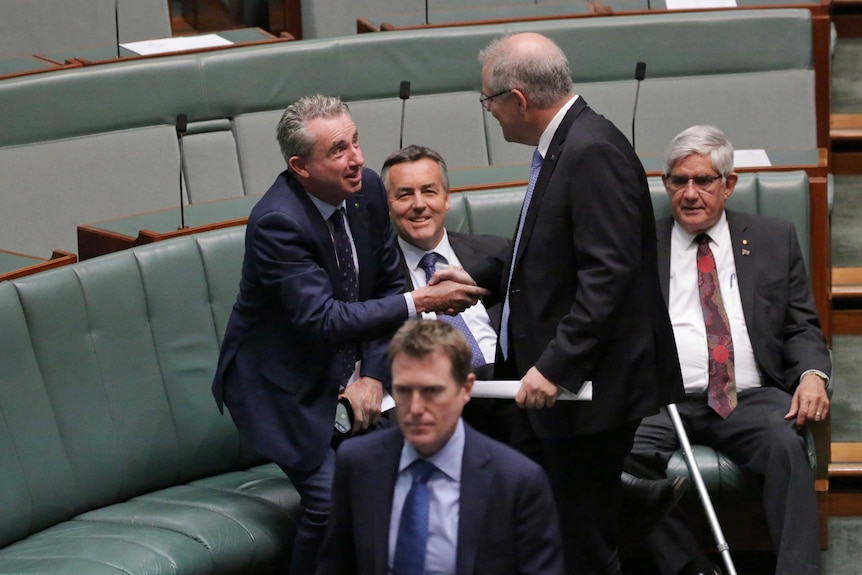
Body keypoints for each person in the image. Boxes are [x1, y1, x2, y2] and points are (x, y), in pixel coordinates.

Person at [211, 94, 487, 575]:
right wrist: (421, 303)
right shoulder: (278, 223)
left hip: (354, 381)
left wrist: (375, 376)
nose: (357, 158)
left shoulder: (368, 190)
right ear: (301, 165)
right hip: (287, 393)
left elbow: (386, 288)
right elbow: (323, 320)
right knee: (332, 505)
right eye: (338, 149)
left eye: (356, 141)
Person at [456, 32, 685, 575]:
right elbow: (544, 245)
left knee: (581, 544)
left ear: (518, 99)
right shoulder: (569, 142)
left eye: (489, 101)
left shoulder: (591, 150)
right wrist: (473, 277)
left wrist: (555, 367)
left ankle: (629, 504)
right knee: (551, 523)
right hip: (558, 390)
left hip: (582, 390)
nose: (490, 113)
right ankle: (632, 501)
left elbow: (608, 277)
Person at [624, 125, 831, 575]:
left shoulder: (774, 238)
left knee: (785, 445)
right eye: (679, 181)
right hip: (664, 398)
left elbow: (801, 326)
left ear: (728, 184)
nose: (691, 193)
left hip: (748, 396)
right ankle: (690, 567)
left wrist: (813, 375)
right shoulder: (639, 245)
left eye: (704, 181)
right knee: (617, 450)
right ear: (666, 186)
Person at [317, 319, 565, 575]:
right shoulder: (359, 463)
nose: (415, 409)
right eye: (404, 390)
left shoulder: (517, 482)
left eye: (432, 391)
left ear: (465, 389)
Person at [381, 144, 515, 442]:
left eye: (429, 191)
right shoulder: (375, 277)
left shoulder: (495, 251)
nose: (419, 204)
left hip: (515, 396)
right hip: (435, 409)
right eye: (404, 194)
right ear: (387, 205)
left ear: (446, 198)